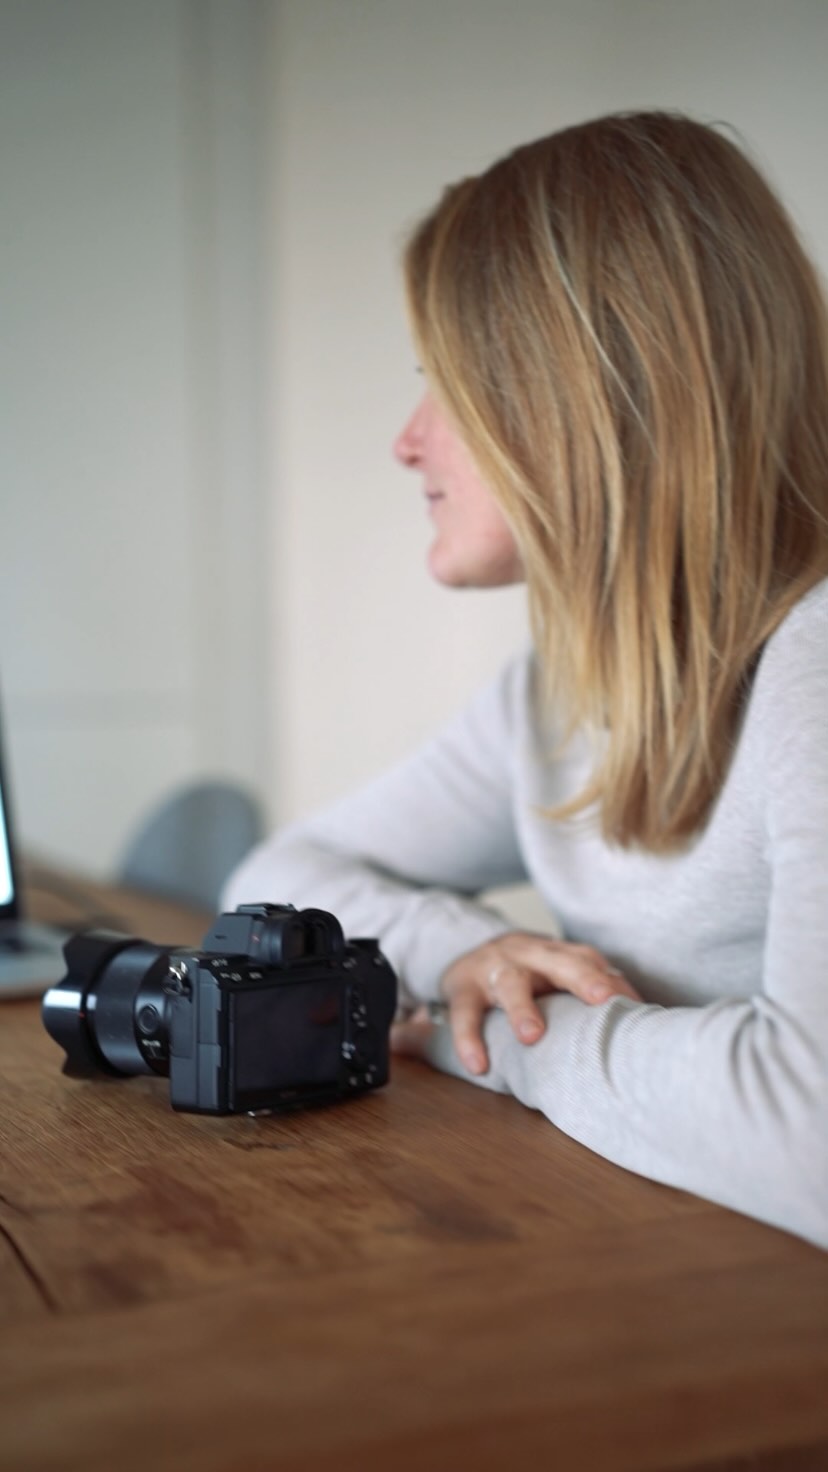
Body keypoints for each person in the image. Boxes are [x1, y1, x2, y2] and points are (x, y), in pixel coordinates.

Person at [223, 111, 828, 1250]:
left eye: (442, 383)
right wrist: (462, 956)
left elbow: (813, 1140)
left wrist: (488, 1031)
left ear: (587, 393)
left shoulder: (818, 660)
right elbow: (276, 876)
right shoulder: (555, 695)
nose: (408, 441)